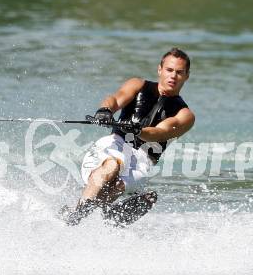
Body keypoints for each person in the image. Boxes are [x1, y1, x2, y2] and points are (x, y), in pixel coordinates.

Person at [65, 48, 195, 225]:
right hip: (115, 144)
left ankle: (89, 215)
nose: (173, 76)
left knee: (118, 185)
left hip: (143, 160)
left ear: (187, 76)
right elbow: (116, 100)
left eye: (179, 72)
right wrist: (105, 111)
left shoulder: (185, 115)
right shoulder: (138, 85)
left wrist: (138, 131)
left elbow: (160, 132)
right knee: (111, 166)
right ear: (160, 70)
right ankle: (81, 214)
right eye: (169, 70)